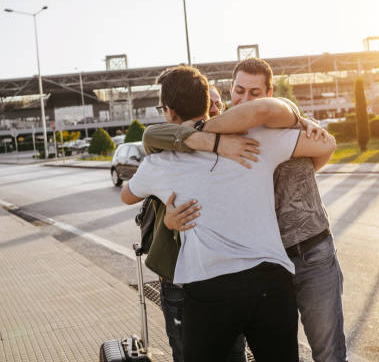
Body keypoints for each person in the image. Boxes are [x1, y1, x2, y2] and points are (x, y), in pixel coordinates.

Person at [121, 65, 336, 361]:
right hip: (271, 282)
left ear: (169, 112)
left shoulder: (159, 163)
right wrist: (302, 123)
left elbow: (127, 194)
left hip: (210, 287)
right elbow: (325, 143)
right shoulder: (256, 140)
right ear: (208, 104)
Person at [153, 83, 248, 362]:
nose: (215, 110)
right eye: (210, 104)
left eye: (219, 105)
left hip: (225, 278)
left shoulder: (237, 146)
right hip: (180, 281)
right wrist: (168, 223)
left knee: (233, 353)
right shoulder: (168, 146)